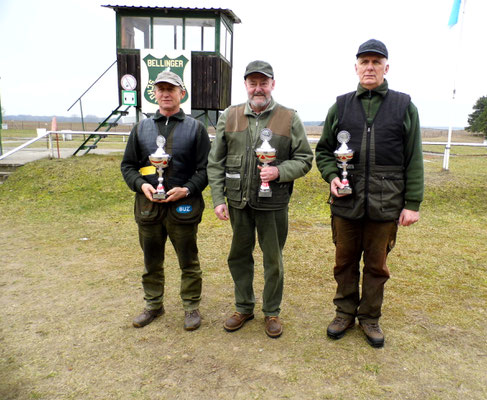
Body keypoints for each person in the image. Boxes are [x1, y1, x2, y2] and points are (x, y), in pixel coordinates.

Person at [315, 39, 424, 348]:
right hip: (346, 202)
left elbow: (413, 157)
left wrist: (412, 203)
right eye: (365, 62)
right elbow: (323, 151)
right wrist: (333, 175)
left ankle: (370, 318)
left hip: (386, 203)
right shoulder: (341, 105)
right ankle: (344, 313)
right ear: (356, 67)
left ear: (386, 67)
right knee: (344, 261)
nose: (370, 67)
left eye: (376, 62)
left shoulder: (405, 106)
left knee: (377, 266)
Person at [207, 60, 313, 338]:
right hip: (237, 202)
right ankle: (243, 307)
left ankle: (272, 312)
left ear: (272, 85)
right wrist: (218, 198)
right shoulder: (228, 116)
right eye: (252, 82)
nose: (258, 88)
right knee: (239, 256)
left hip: (273, 203)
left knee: (273, 260)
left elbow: (304, 159)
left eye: (263, 82)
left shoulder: (289, 118)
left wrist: (279, 170)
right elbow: (215, 162)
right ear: (245, 85)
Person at [121, 70, 210, 331]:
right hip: (148, 208)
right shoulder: (141, 128)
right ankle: (153, 304)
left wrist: (188, 189)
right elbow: (128, 166)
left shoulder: (196, 128)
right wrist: (141, 186)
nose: (165, 93)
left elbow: (205, 170)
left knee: (189, 262)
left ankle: (191, 307)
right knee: (151, 262)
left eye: (171, 89)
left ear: (182, 93)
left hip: (183, 208)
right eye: (160, 89)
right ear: (155, 94)